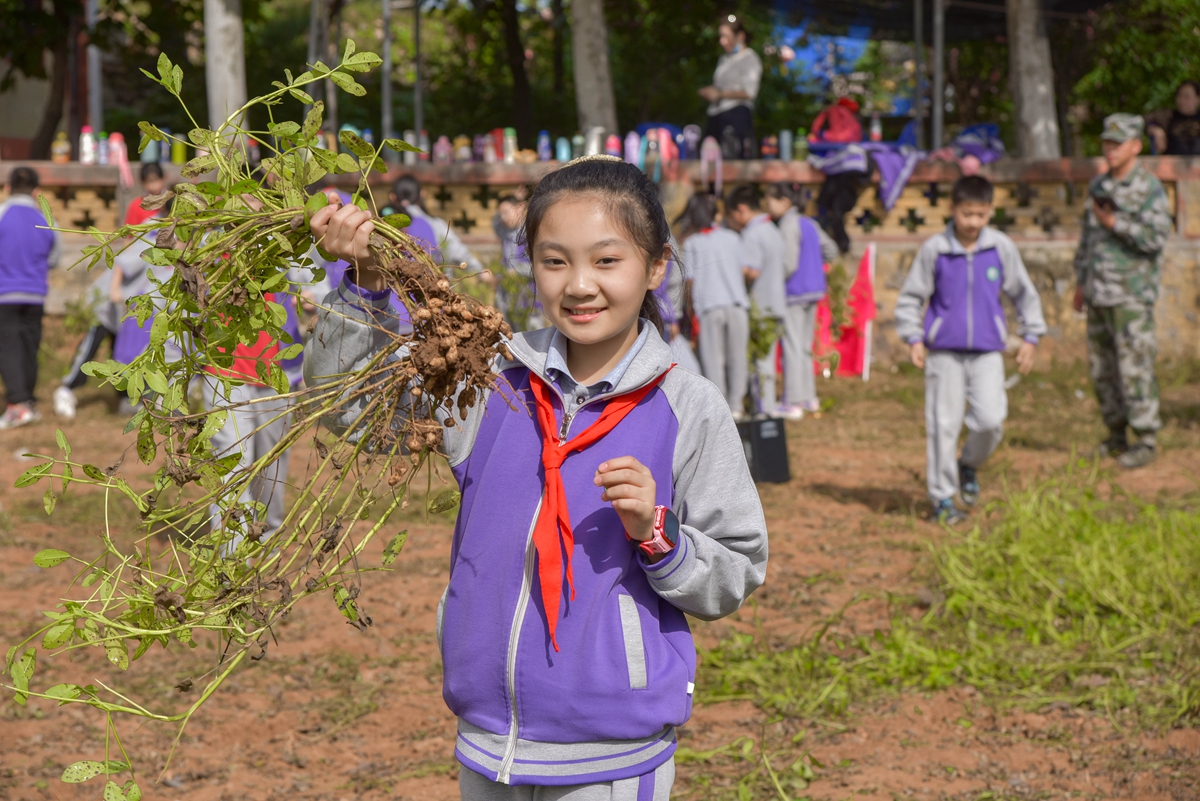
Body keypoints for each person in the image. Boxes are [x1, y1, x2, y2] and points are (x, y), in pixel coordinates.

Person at [305, 155, 768, 799]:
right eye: (555, 261)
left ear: (656, 265)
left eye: (607, 261)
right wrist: (363, 286)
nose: (579, 285)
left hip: (609, 756)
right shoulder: (487, 381)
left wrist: (658, 535)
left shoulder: (687, 407)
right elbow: (351, 413)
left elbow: (736, 567)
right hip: (488, 741)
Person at [895, 175, 1047, 523]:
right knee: (942, 425)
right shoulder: (936, 249)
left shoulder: (1000, 248)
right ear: (953, 210)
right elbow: (911, 298)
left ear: (990, 211)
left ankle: (968, 464)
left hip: (987, 352)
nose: (973, 222)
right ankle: (942, 499)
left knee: (991, 420)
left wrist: (1031, 337)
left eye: (980, 214)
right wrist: (914, 337)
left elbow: (1024, 293)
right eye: (967, 214)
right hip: (944, 353)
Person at [1073, 113, 1173, 469]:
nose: (1110, 149)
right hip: (1099, 291)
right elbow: (1088, 239)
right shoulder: (1099, 186)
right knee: (1103, 368)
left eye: (1118, 143)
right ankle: (1115, 434)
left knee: (1135, 366)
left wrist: (1117, 223)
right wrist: (1081, 281)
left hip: (1131, 293)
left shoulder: (1149, 189)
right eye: (1106, 142)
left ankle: (1145, 438)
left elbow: (1157, 237)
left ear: (1135, 146)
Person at [54, 161, 168, 419]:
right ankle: (67, 388)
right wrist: (115, 293)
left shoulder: (173, 239)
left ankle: (126, 400)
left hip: (130, 308)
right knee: (92, 348)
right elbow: (123, 262)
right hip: (111, 302)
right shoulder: (156, 235)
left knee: (124, 354)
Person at [765, 182, 840, 419]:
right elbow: (832, 250)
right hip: (814, 291)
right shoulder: (810, 223)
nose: (767, 206)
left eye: (770, 200)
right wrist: (817, 270)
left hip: (794, 293)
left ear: (784, 202)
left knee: (793, 347)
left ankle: (793, 401)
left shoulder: (788, 224)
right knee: (804, 347)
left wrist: (770, 282)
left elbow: (789, 264)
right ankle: (809, 398)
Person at [678, 192, 752, 417]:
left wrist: (688, 311)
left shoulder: (692, 243)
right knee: (738, 357)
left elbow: (688, 281)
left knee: (713, 360)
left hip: (709, 308)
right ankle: (737, 405)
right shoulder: (733, 237)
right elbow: (743, 270)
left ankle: (721, 410)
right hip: (737, 304)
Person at [0, 166, 61, 429]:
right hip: (35, 295)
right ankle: (28, 402)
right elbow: (55, 258)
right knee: (29, 347)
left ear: (7, 188)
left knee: (9, 348)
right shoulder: (46, 219)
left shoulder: (1, 214)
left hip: (5, 294)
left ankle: (18, 404)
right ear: (37, 192)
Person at [724, 184, 787, 414]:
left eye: (732, 216)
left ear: (741, 210)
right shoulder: (771, 228)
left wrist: (730, 270)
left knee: (758, 362)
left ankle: (763, 411)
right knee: (767, 361)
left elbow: (752, 271)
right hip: (776, 304)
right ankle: (767, 408)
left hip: (760, 306)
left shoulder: (752, 233)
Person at [381, 175, 487, 280]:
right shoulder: (435, 224)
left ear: (393, 197)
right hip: (436, 291)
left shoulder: (383, 225)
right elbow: (459, 252)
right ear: (422, 194)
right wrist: (480, 272)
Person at [699, 15, 762, 160]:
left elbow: (750, 92)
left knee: (731, 162)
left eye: (726, 37)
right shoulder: (724, 59)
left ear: (740, 35)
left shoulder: (750, 58)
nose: (722, 41)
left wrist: (720, 94)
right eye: (721, 36)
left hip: (736, 117)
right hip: (715, 115)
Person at [1147, 81, 1200, 156]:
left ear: (1198, 99)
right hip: (1171, 165)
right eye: (1179, 95)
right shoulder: (1168, 116)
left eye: (1186, 96)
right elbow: (1141, 121)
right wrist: (1155, 130)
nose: (1181, 100)